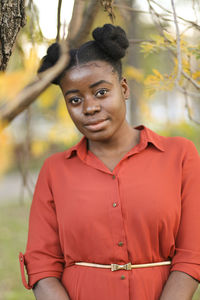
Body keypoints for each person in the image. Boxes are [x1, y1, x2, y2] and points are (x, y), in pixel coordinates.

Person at [19, 24, 200, 300]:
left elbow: (192, 254)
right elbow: (42, 266)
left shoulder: (180, 156)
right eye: (75, 99)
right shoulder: (54, 170)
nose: (89, 108)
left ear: (124, 88)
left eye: (101, 92)